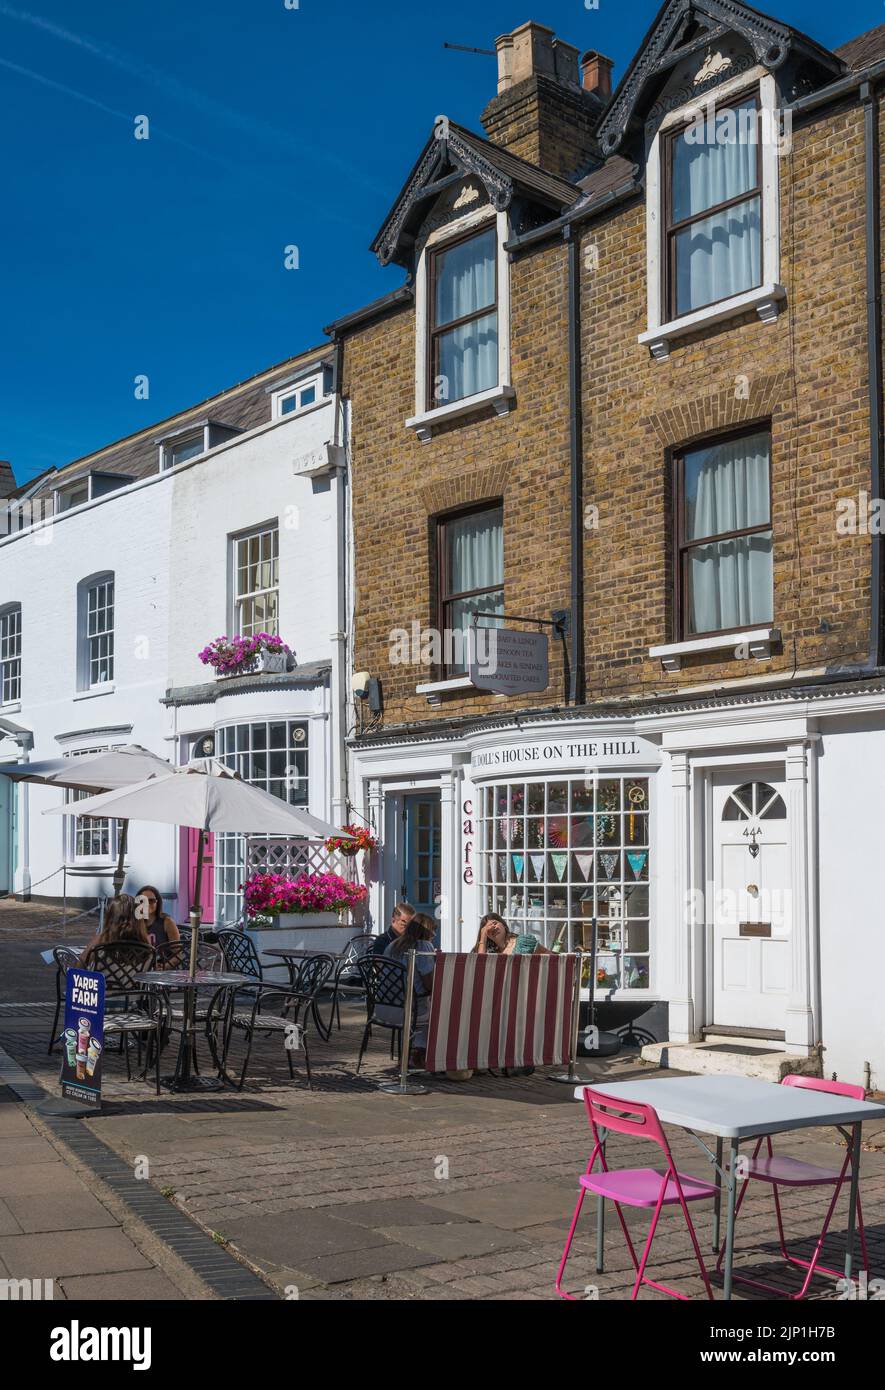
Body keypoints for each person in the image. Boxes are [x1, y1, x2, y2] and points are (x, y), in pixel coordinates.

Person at [376, 912, 436, 1069]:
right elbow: (430, 985)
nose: (435, 935)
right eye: (433, 930)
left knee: (425, 1004)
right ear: (427, 931)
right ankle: (420, 1053)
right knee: (443, 1011)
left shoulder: (393, 945)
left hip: (383, 1007)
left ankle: (410, 1054)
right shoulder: (423, 946)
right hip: (408, 1010)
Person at [79, 894, 152, 966]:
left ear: (111, 918)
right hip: (135, 978)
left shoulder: (101, 941)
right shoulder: (147, 946)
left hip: (105, 977)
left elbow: (80, 965)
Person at [473, 913, 551, 956]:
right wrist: (482, 937)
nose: (493, 928)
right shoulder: (490, 952)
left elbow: (550, 956)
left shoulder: (524, 943)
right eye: (488, 929)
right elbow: (480, 965)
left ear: (503, 924)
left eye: (495, 923)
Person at [134, 885, 180, 954]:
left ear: (157, 903)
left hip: (162, 963)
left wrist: (165, 965)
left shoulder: (167, 922)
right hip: (139, 964)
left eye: (151, 900)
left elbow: (177, 954)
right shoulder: (133, 922)